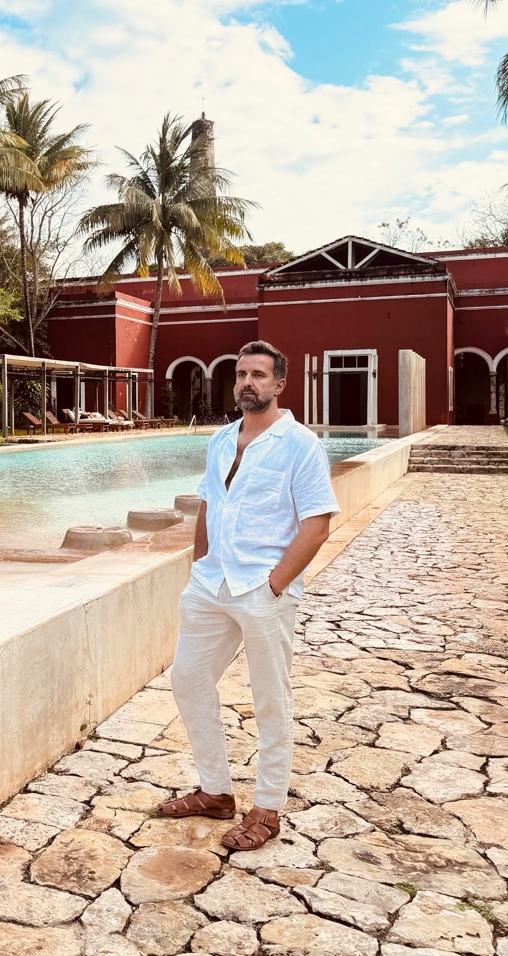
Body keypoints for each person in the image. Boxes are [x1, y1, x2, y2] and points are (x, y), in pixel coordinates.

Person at [158, 340, 339, 851]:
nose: (246, 383)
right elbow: (208, 505)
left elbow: (318, 524)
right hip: (211, 584)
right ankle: (216, 791)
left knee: (269, 698)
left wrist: (276, 583)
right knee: (188, 679)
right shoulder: (221, 439)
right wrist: (199, 565)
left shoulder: (300, 444)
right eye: (241, 374)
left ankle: (268, 808)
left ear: (279, 384)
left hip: (262, 588)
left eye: (258, 374)